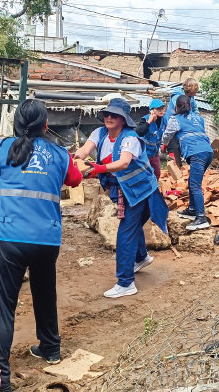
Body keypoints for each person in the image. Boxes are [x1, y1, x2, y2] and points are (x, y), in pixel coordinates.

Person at [0, 99, 83, 392]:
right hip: (47, 240)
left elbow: (2, 169)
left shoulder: (1, 148)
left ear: (17, 124)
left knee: (2, 307)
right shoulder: (60, 154)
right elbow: (76, 180)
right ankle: (50, 348)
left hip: (11, 239)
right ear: (46, 125)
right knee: (44, 292)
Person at [74, 98, 169, 298]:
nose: (109, 118)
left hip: (142, 191)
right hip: (121, 190)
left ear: (123, 119)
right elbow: (85, 149)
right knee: (132, 227)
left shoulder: (130, 138)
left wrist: (98, 168)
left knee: (125, 233)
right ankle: (141, 257)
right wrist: (76, 159)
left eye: (114, 115)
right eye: (107, 114)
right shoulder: (99, 133)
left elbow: (124, 162)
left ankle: (126, 283)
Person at [162, 95, 213, 231]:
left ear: (176, 107)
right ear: (190, 106)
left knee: (195, 185)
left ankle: (201, 218)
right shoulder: (199, 118)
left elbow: (167, 135)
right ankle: (192, 210)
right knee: (192, 182)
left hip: (196, 153)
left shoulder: (175, 119)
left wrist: (163, 145)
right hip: (208, 152)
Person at [163, 78, 200, 167]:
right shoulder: (177, 96)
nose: (196, 92)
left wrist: (197, 117)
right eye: (195, 90)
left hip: (183, 122)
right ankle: (176, 167)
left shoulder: (191, 97)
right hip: (173, 122)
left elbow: (194, 108)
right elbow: (182, 110)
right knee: (174, 145)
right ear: (190, 89)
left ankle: (182, 165)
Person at [135, 98, 167, 178]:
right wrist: (149, 122)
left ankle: (154, 189)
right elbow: (139, 132)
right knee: (144, 174)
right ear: (151, 111)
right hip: (144, 153)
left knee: (157, 173)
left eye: (162, 108)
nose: (161, 110)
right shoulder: (145, 119)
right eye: (158, 109)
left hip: (154, 153)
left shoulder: (164, 120)